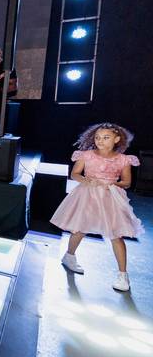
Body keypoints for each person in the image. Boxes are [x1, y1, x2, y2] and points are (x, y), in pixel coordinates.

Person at [51, 123, 143, 292]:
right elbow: (75, 174)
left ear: (116, 139)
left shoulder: (124, 159)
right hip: (88, 195)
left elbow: (127, 182)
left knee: (116, 234)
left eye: (106, 138)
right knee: (80, 229)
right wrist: (86, 180)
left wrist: (112, 184)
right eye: (97, 137)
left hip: (110, 197)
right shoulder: (86, 155)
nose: (100, 141)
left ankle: (123, 275)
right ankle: (69, 256)